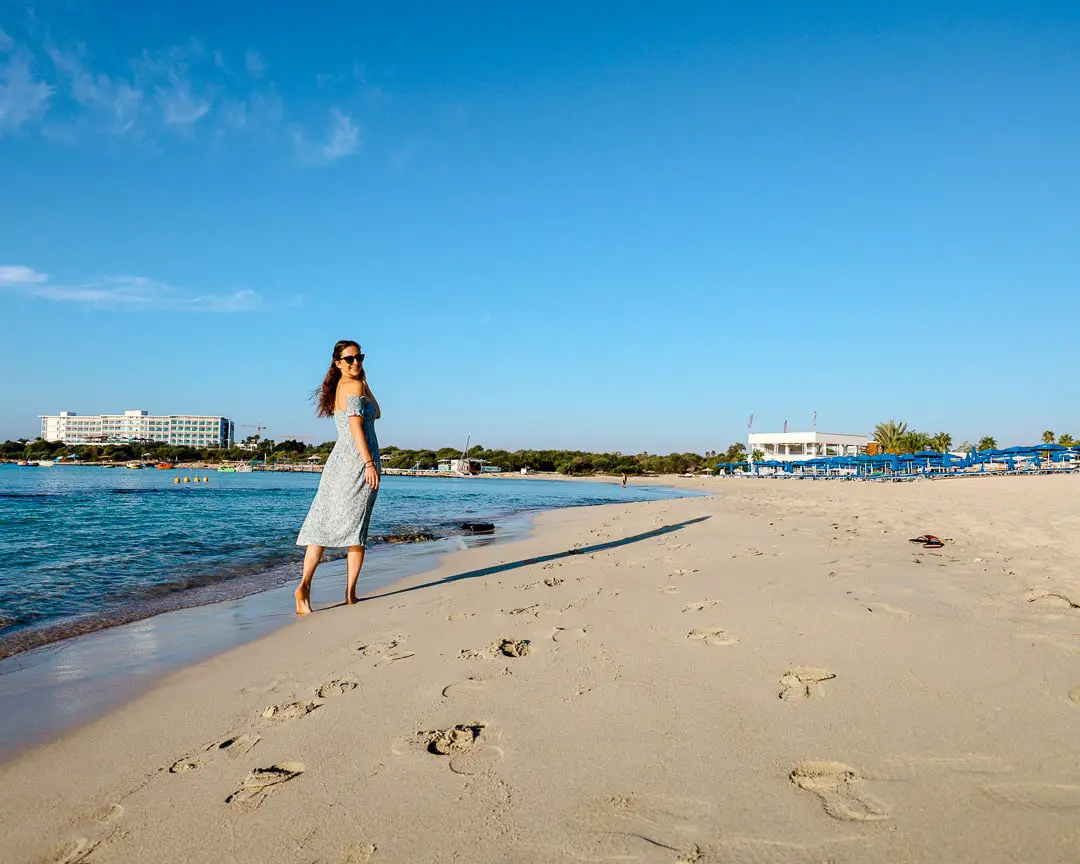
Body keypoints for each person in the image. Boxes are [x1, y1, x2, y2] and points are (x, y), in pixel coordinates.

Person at [294, 340, 382, 614]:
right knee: (357, 528)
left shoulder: (346, 387)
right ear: (338, 362)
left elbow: (376, 412)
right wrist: (368, 463)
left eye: (360, 358)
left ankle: (304, 586)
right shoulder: (352, 387)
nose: (356, 363)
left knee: (321, 524)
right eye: (350, 359)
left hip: (338, 464)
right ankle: (350, 593)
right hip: (356, 463)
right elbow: (357, 426)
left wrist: (365, 382)